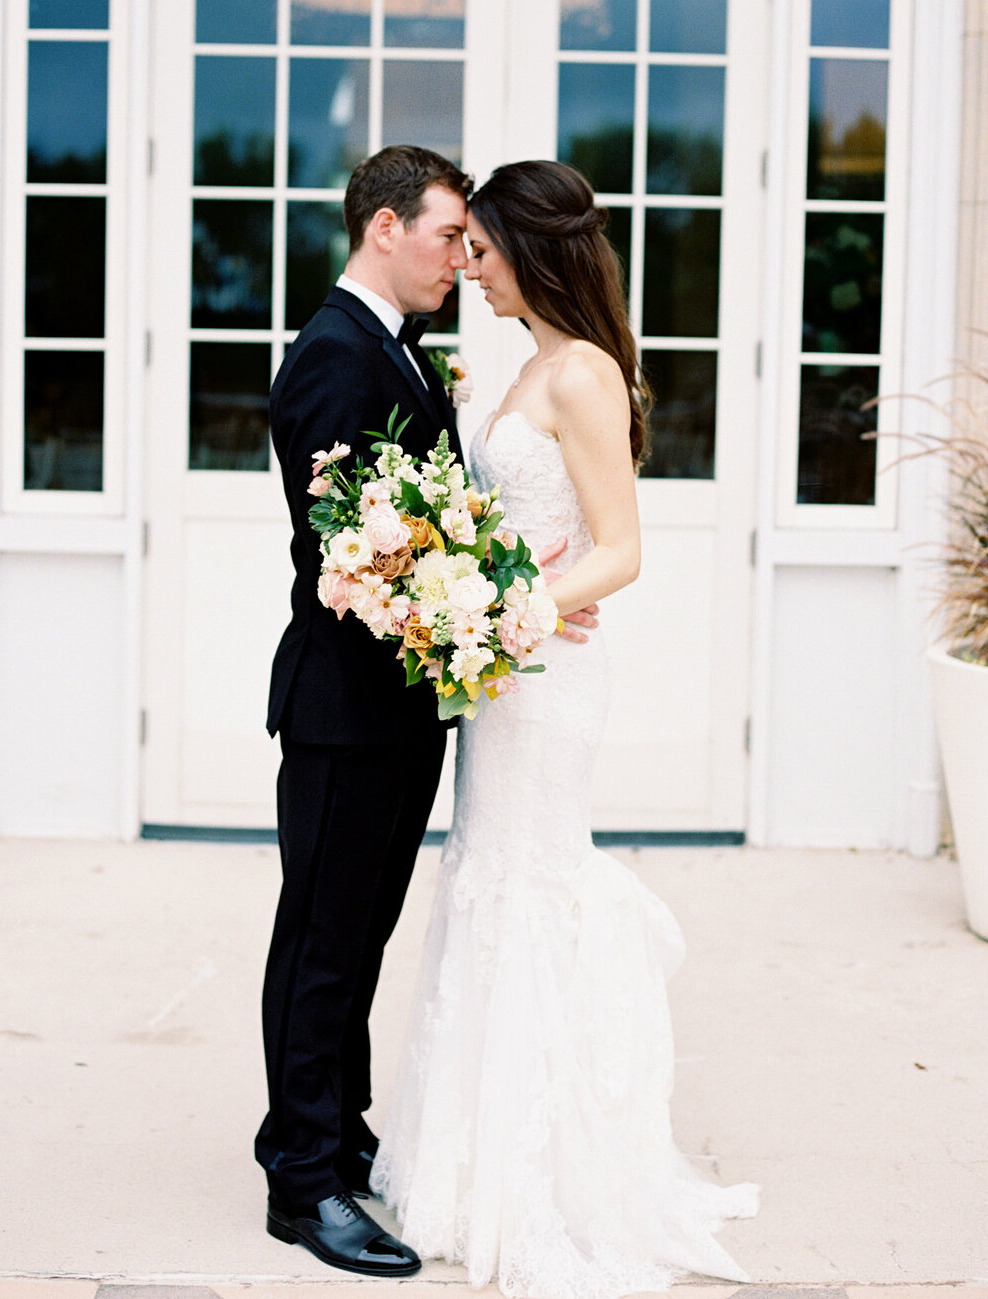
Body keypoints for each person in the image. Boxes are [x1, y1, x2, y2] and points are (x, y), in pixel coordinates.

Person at [371, 160, 759, 1299]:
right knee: (488, 877)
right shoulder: (535, 361)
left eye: (482, 251)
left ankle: (547, 1178)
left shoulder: (582, 371)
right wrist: (477, 590)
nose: (469, 268)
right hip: (508, 671)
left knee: (528, 883)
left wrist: (514, 611)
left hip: (544, 678)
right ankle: (474, 1155)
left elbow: (622, 545)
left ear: (532, 252)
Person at [256, 145, 596, 1277]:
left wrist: (517, 588)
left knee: (359, 937)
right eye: (451, 234)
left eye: (470, 239)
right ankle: (302, 1180)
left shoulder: (398, 355)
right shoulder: (330, 357)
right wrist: (505, 602)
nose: (464, 256)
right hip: (344, 710)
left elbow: (428, 527)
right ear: (384, 229)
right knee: (320, 939)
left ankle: (340, 1135)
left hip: (405, 711)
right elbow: (350, 551)